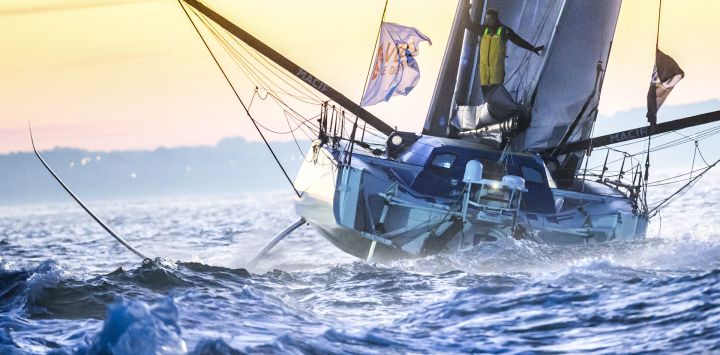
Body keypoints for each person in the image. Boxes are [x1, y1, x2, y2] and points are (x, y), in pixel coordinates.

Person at [466, 9, 544, 94]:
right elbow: (468, 25)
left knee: (496, 92)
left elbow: (518, 40)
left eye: (490, 19)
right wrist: (466, 10)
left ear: (496, 18)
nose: (487, 22)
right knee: (486, 94)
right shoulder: (483, 30)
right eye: (486, 19)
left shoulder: (504, 30)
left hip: (497, 70)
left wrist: (533, 48)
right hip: (484, 70)